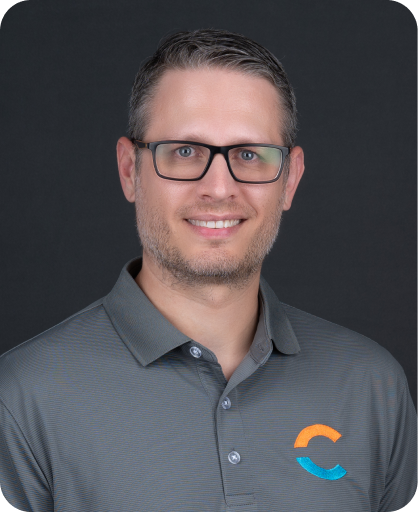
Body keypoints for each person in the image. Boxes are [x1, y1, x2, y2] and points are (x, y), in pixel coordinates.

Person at [0, 28, 417, 512]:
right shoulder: (23, 398)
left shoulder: (371, 388)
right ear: (130, 171)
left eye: (248, 155)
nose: (219, 188)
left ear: (290, 180)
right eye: (184, 152)